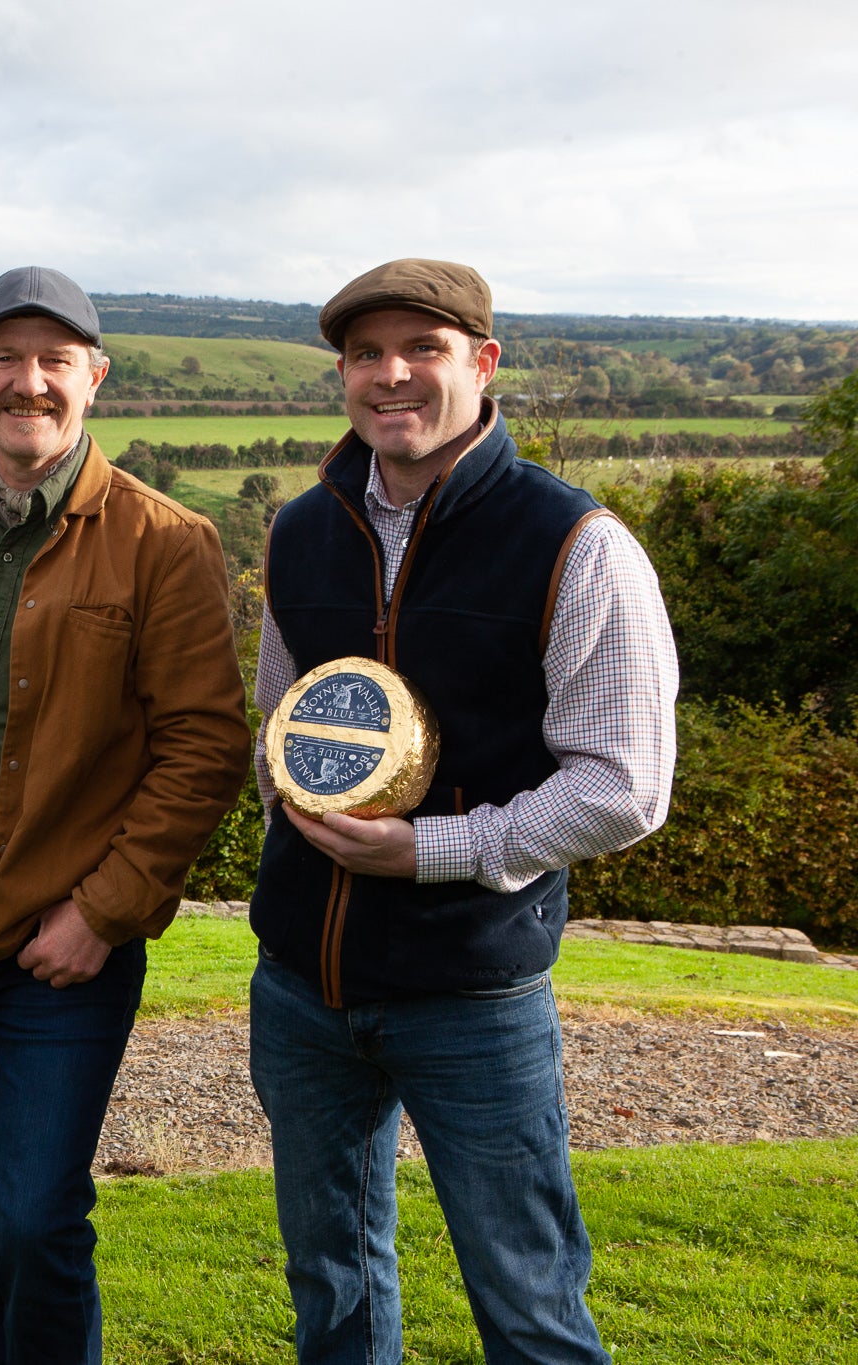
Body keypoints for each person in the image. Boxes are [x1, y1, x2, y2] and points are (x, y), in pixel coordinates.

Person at [247, 258, 678, 1363]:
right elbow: (279, 728)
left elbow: (623, 785)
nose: (389, 375)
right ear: (339, 374)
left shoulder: (574, 544)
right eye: (362, 354)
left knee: (526, 1303)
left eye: (421, 349)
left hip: (471, 992)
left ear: (481, 364)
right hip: (302, 987)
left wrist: (428, 850)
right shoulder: (301, 531)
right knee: (330, 1290)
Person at [0, 266, 251, 1363]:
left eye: (54, 362)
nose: (29, 383)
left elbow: (203, 748)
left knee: (34, 1210)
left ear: (94, 377)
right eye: (5, 360)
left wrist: (105, 912)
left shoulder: (163, 539)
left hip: (60, 934)